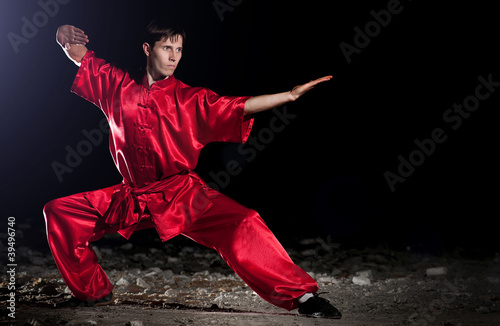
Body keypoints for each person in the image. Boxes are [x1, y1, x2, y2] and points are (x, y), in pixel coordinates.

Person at [44, 18, 341, 319]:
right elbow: (80, 55)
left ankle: (304, 297)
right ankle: (94, 292)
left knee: (243, 222)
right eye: (166, 48)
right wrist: (61, 34)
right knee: (61, 213)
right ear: (148, 49)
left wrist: (289, 96)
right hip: (132, 196)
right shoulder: (116, 85)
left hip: (180, 196)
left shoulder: (190, 99)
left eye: (179, 49)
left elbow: (240, 106)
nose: (173, 57)